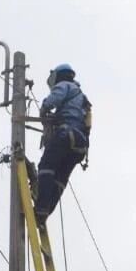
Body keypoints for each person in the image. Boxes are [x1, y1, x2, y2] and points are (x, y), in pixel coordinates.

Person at [33, 63, 91, 224]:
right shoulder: (82, 99)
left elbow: (54, 98)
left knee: (46, 168)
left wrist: (44, 109)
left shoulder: (65, 86)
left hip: (66, 134)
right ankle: (44, 212)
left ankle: (41, 208)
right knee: (59, 179)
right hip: (79, 146)